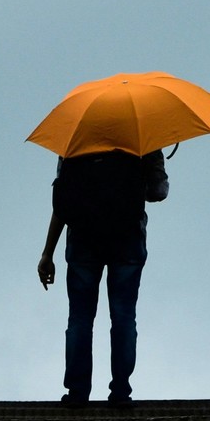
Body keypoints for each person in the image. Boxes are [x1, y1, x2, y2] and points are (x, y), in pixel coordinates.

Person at [37, 148, 169, 407]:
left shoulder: (76, 141)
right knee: (123, 317)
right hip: (128, 239)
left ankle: (77, 393)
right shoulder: (143, 139)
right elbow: (158, 192)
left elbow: (62, 202)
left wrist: (47, 253)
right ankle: (120, 392)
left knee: (80, 318)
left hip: (83, 240)